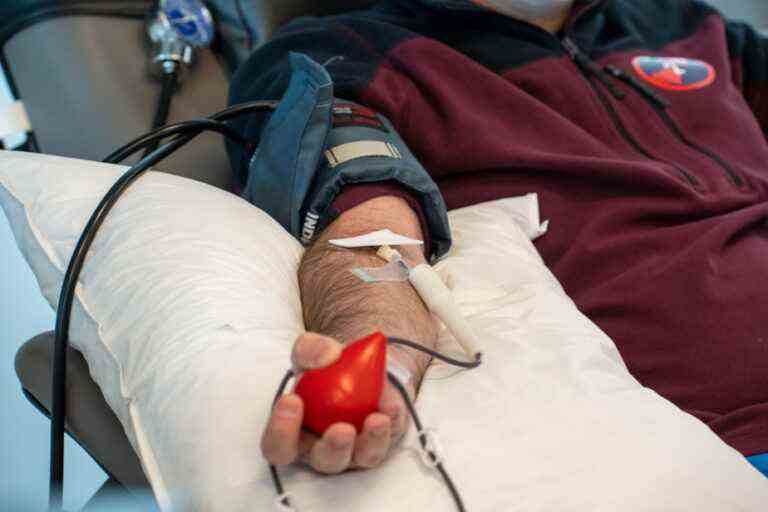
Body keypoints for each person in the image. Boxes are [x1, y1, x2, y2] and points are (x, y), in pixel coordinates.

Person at [227, 0, 768, 477]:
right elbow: (366, 224)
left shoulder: (692, 26)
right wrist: (378, 356)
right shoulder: (349, 55)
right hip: (722, 441)